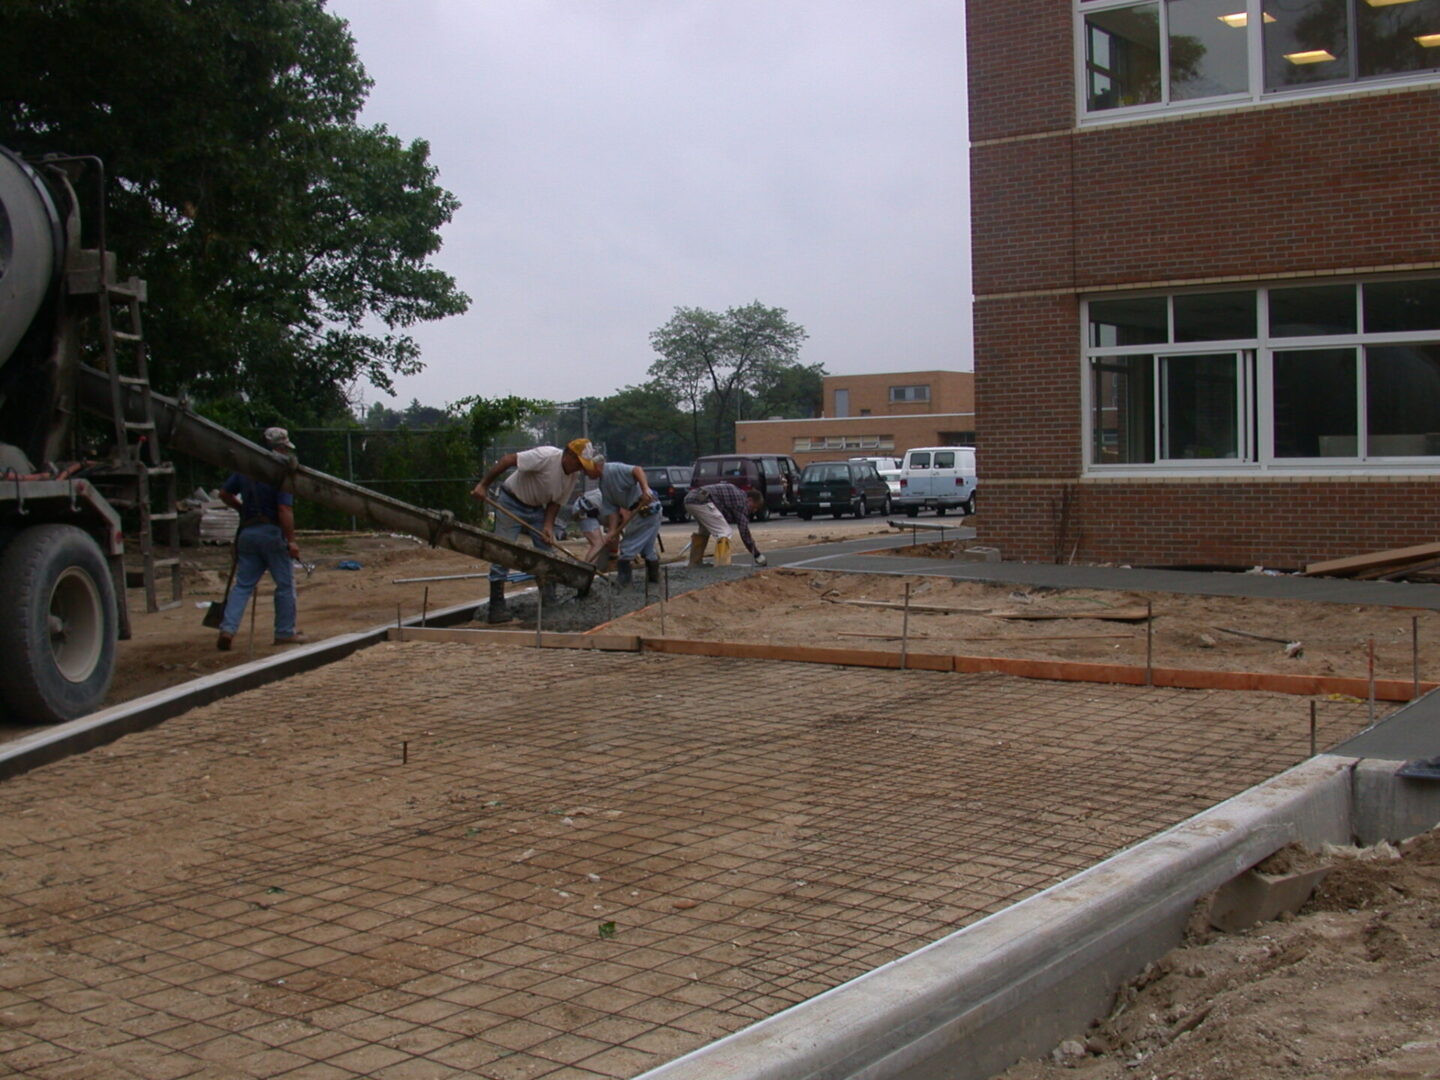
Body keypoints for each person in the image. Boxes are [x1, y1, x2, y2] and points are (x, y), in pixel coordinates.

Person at [472, 438, 603, 623]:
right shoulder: (546, 456)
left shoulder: (572, 476)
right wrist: (484, 485)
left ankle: (549, 600)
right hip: (511, 501)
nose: (579, 469)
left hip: (536, 510)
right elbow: (508, 460)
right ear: (569, 455)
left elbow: (555, 502)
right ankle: (497, 606)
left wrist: (548, 526)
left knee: (546, 553)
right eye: (579, 464)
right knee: (502, 550)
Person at [215, 427, 304, 650]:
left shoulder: (245, 470)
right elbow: (284, 509)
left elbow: (224, 494)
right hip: (272, 533)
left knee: (243, 585)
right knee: (284, 585)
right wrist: (291, 540)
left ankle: (228, 629)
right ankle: (284, 632)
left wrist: (242, 510)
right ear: (279, 448)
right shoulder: (280, 474)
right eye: (284, 448)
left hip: (248, 533)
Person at [592, 460, 663, 586]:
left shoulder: (613, 469)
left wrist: (645, 489)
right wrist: (612, 531)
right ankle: (654, 580)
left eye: (586, 470)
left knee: (627, 547)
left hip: (646, 508)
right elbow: (612, 509)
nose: (585, 474)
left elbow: (637, 469)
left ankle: (624, 582)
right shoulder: (603, 485)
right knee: (648, 550)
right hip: (638, 511)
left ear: (596, 466)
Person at [683, 483, 767, 567]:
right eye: (755, 507)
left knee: (704, 531)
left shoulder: (736, 492)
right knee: (724, 532)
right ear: (749, 500)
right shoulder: (741, 502)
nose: (754, 511)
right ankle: (722, 565)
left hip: (690, 499)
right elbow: (744, 531)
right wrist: (756, 554)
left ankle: (695, 562)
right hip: (701, 501)